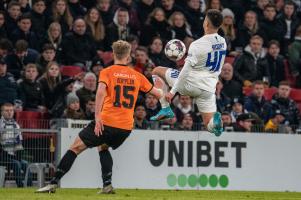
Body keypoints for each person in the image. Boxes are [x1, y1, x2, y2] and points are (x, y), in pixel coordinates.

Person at [36, 40, 163, 194]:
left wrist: (98, 118)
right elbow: (158, 94)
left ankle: (53, 183)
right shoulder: (137, 76)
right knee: (103, 147)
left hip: (107, 121)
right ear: (128, 56)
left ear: (114, 54)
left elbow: (101, 92)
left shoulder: (107, 72)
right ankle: (107, 185)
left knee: (75, 148)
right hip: (126, 127)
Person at [151, 9, 226, 136]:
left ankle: (165, 108)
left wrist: (172, 92)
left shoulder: (197, 44)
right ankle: (216, 125)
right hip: (209, 89)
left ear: (206, 23)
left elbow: (185, 70)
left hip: (191, 85)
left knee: (157, 71)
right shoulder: (222, 42)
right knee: (208, 125)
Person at [0, 103, 32, 187]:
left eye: (11, 110)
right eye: (7, 110)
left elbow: (19, 142)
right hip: (2, 155)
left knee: (26, 164)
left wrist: (18, 155)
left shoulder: (16, 125)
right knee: (16, 164)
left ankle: (29, 186)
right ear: (2, 112)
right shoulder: (0, 125)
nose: (9, 112)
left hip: (13, 155)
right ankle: (20, 186)